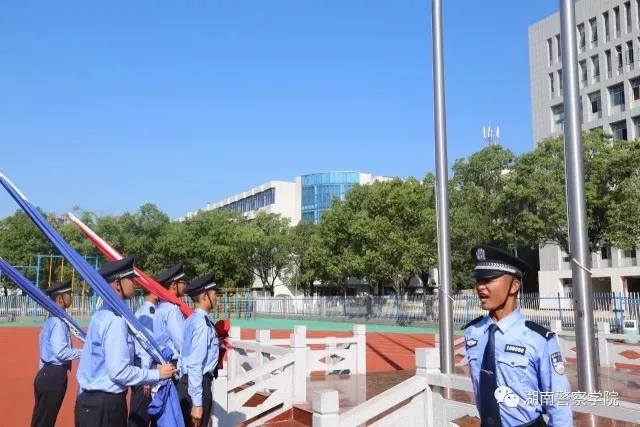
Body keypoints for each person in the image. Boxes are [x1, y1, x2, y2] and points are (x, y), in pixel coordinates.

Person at [462, 245, 573, 426]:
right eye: (478, 280)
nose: (480, 287)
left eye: (489, 280)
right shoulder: (473, 332)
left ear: (514, 286)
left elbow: (558, 401)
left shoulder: (537, 338)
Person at [75, 256, 176, 427]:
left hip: (91, 402)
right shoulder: (115, 321)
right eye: (130, 279)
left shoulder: (102, 314)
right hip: (105, 405)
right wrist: (157, 374)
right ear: (117, 284)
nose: (134, 283)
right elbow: (119, 372)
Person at [31, 279, 82, 427]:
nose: (71, 297)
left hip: (46, 373)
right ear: (60, 298)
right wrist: (84, 352)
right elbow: (61, 353)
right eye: (69, 294)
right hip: (54, 375)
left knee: (41, 419)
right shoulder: (58, 322)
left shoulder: (51, 320)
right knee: (46, 420)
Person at [178, 273, 219, 427]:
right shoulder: (202, 324)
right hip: (198, 384)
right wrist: (197, 403)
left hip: (187, 382)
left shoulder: (191, 320)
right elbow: (195, 363)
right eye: (214, 293)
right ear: (204, 296)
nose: (216, 297)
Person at [128, 289, 160, 427]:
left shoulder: (140, 311)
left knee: (139, 411)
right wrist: (146, 377)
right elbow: (146, 345)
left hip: (138, 365)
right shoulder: (149, 313)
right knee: (141, 415)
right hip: (144, 367)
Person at [152, 264, 187, 372]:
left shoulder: (160, 308)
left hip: (163, 362)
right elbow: (181, 342)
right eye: (183, 282)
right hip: (174, 365)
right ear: (174, 285)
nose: (185, 285)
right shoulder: (172, 309)